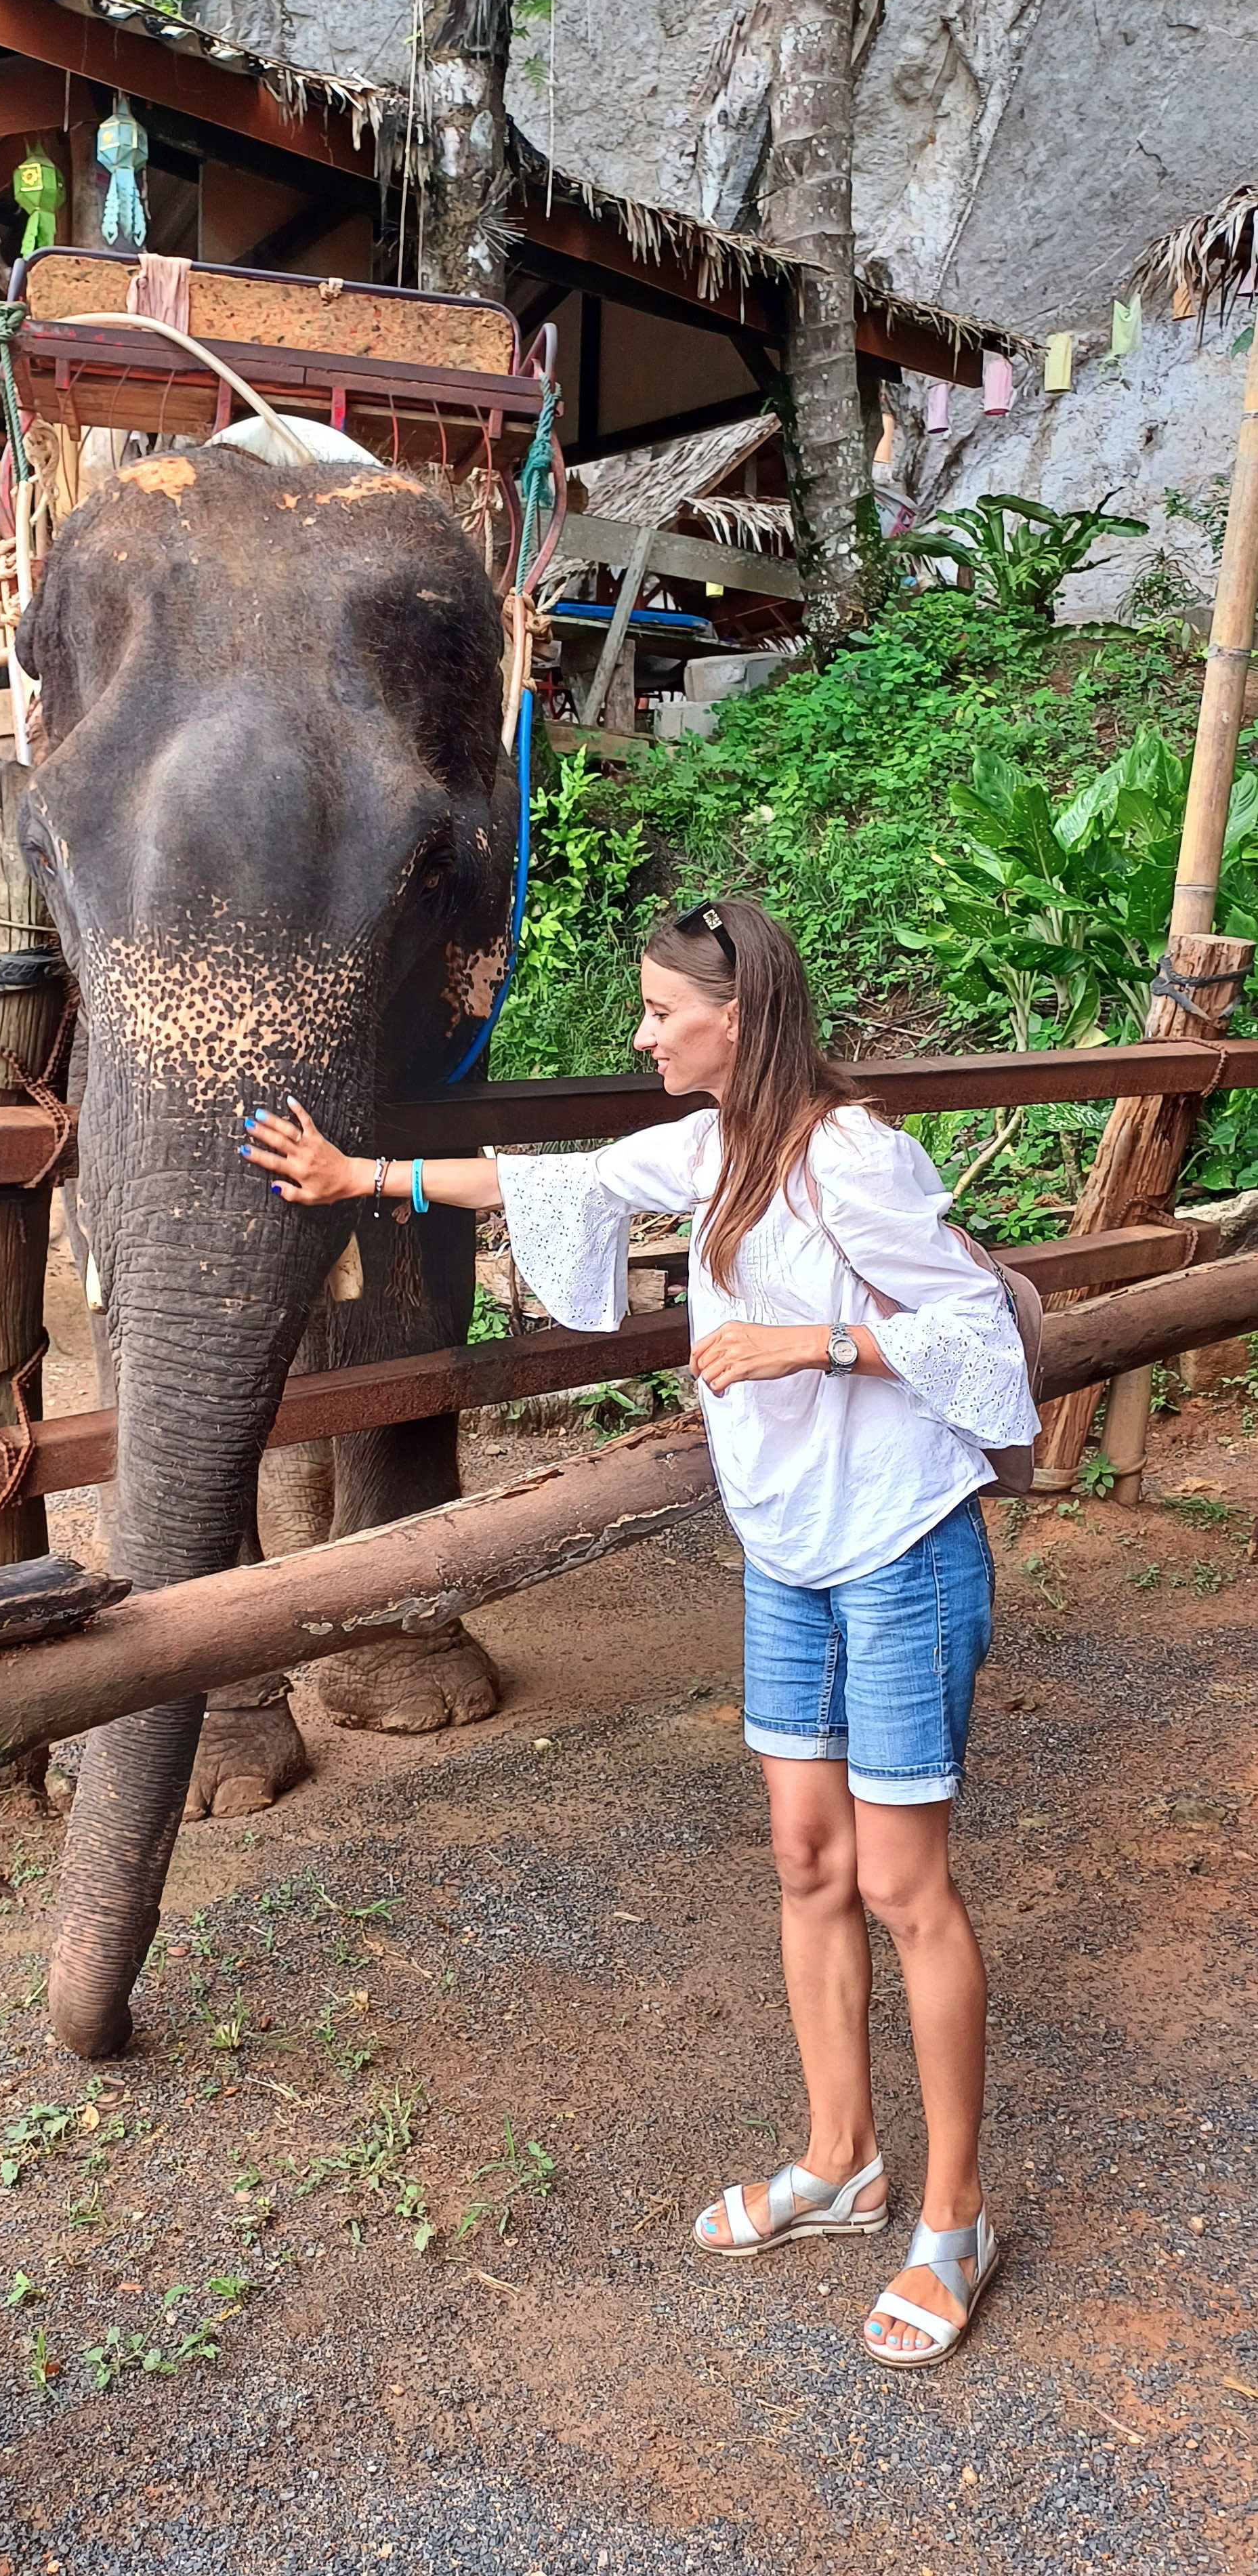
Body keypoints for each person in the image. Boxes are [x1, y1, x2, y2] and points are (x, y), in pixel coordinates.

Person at [239, 896, 1038, 2369]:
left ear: (741, 1018)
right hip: (788, 1551)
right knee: (806, 1857)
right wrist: (365, 1174)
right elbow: (551, 1179)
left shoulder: (855, 1159)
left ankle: (954, 2215)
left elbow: (983, 1340)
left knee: (902, 1880)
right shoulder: (710, 1144)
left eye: (664, 1011)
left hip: (903, 1549)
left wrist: (820, 1338)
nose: (641, 1031)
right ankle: (840, 2156)